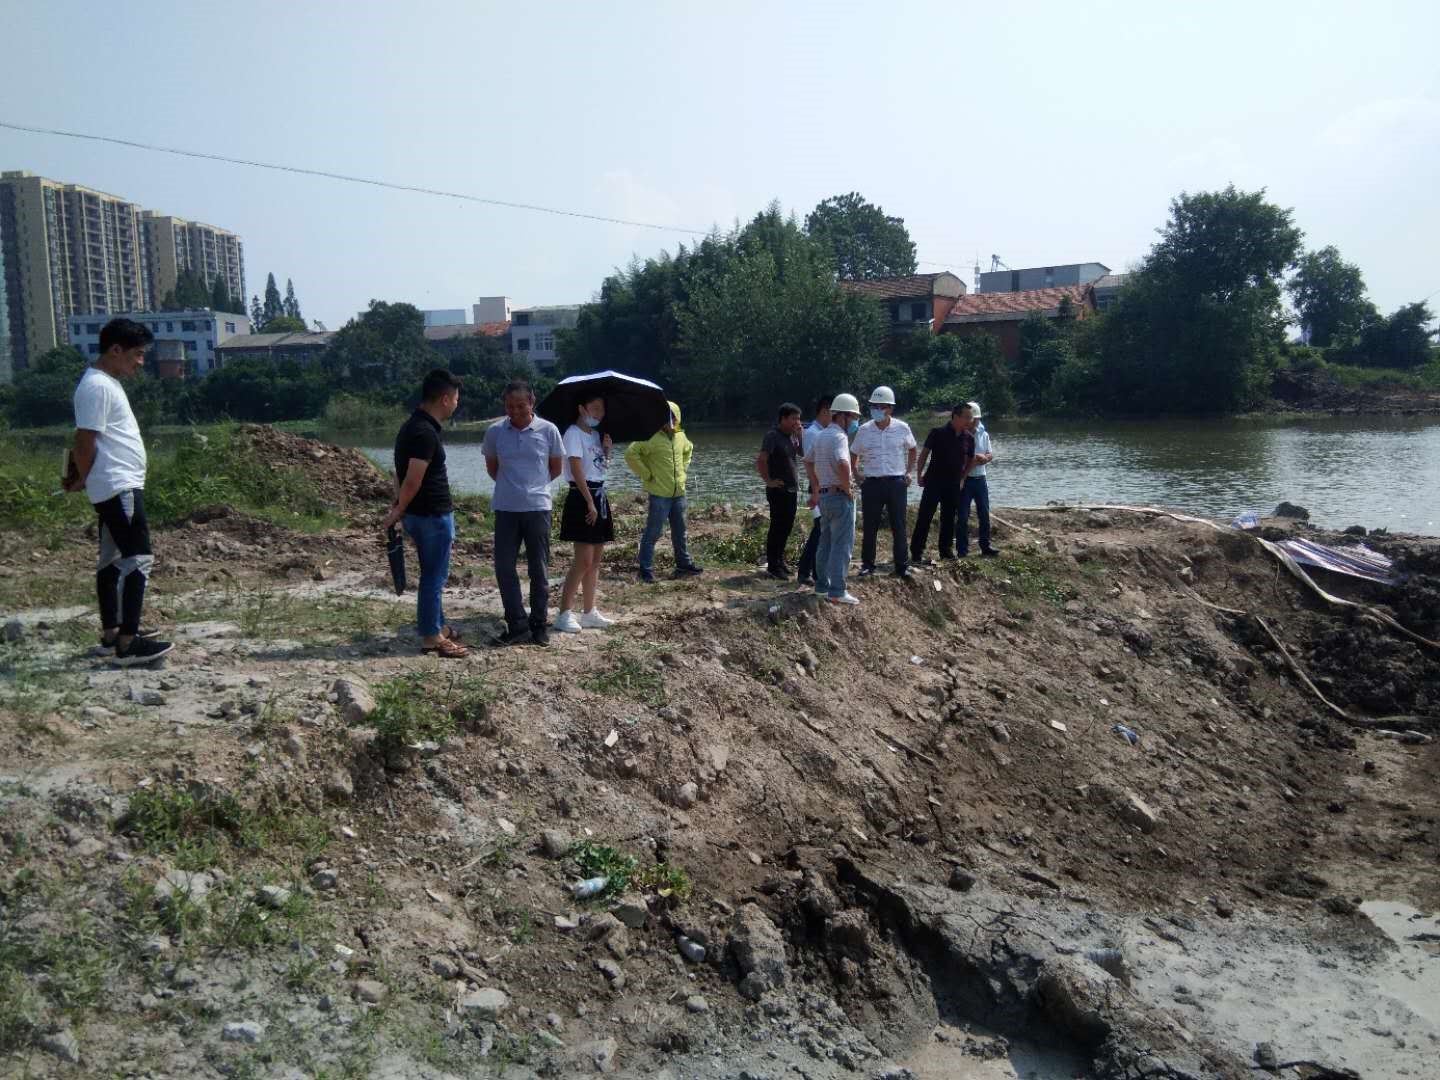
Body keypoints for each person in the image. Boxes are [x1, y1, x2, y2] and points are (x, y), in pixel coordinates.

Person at [63, 318, 173, 666]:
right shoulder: (96, 386)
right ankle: (128, 643)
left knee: (111, 561)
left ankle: (113, 634)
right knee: (138, 558)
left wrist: (86, 477)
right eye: (137, 354)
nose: (141, 362)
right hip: (118, 484)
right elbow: (84, 440)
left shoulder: (103, 383)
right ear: (115, 350)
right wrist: (83, 477)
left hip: (115, 484)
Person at [382, 369, 467, 657]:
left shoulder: (411, 426)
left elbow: (398, 473)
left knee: (432, 573)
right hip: (432, 515)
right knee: (434, 577)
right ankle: (431, 637)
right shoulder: (424, 433)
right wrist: (398, 509)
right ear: (444, 399)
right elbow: (413, 478)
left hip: (419, 515)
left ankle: (437, 625)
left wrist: (400, 507)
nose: (456, 404)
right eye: (455, 399)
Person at [482, 380, 565, 645]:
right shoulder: (495, 432)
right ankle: (517, 624)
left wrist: (532, 488)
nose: (515, 411)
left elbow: (555, 468)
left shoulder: (549, 430)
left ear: (532, 402)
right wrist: (513, 488)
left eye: (520, 405)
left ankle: (539, 624)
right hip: (506, 508)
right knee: (504, 567)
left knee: (538, 569)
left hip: (538, 508)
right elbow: (493, 468)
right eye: (509, 406)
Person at [555, 394, 615, 633]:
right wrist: (589, 501)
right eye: (595, 408)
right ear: (582, 408)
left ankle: (589, 612)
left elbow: (600, 467)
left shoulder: (596, 435)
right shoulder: (572, 433)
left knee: (596, 560)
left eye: (602, 409)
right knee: (583, 560)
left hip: (599, 493)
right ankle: (564, 613)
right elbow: (577, 469)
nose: (600, 413)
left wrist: (607, 451)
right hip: (582, 495)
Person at [625, 401, 703, 583]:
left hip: (679, 494)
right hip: (659, 494)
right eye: (666, 417)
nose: (670, 421)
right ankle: (645, 570)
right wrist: (646, 474)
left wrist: (684, 469)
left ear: (678, 418)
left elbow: (689, 450)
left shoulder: (681, 436)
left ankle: (683, 565)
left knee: (680, 531)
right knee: (653, 532)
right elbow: (630, 454)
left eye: (673, 417)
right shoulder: (650, 436)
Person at [849, 385, 917, 579]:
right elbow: (853, 453)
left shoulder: (902, 428)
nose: (877, 410)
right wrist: (856, 475)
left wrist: (909, 472)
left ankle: (902, 566)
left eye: (881, 406)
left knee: (899, 525)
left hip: (896, 482)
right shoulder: (864, 430)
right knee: (870, 526)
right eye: (874, 406)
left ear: (890, 408)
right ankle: (867, 565)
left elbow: (912, 449)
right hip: (872, 483)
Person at [804, 393, 862, 605]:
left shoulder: (821, 435)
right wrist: (847, 489)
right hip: (839, 496)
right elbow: (844, 464)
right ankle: (837, 591)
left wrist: (816, 486)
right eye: (853, 417)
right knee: (842, 545)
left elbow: (807, 461)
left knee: (825, 543)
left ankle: (822, 587)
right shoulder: (839, 437)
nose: (855, 422)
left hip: (825, 496)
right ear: (843, 416)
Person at [909, 403, 974, 564]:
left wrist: (963, 478)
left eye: (971, 417)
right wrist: (919, 474)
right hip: (933, 481)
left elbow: (970, 460)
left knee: (949, 518)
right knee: (925, 516)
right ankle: (917, 552)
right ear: (956, 416)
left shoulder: (969, 438)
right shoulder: (937, 433)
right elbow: (924, 454)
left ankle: (945, 551)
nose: (969, 421)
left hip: (953, 484)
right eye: (967, 417)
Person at [756, 402, 803, 580]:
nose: (797, 422)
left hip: (791, 489)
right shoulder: (772, 436)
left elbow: (802, 453)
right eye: (794, 419)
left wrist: (800, 436)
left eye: (799, 419)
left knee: (787, 527)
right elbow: (761, 460)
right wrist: (768, 481)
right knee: (777, 527)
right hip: (778, 490)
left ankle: (780, 561)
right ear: (783, 418)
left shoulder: (792, 436)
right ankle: (773, 565)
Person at [795, 394, 833, 587]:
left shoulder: (821, 431)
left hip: (823, 486)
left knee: (822, 529)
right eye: (834, 413)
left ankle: (815, 571)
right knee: (820, 529)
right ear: (825, 411)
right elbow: (812, 464)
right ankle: (806, 571)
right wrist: (816, 491)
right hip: (818, 487)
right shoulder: (813, 433)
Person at [958, 401, 999, 558]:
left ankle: (985, 545)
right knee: (963, 516)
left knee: (984, 513)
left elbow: (990, 453)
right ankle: (962, 550)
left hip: (981, 478)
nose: (974, 422)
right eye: (972, 419)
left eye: (976, 419)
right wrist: (975, 459)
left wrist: (985, 458)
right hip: (966, 479)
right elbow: (961, 458)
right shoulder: (960, 435)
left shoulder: (983, 433)